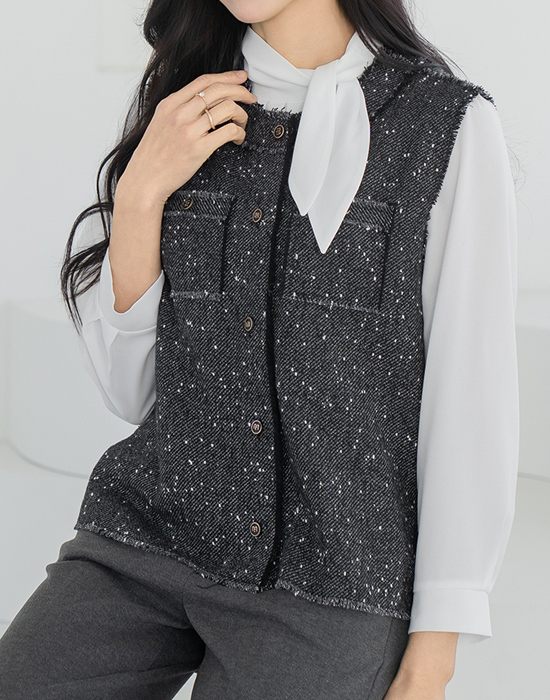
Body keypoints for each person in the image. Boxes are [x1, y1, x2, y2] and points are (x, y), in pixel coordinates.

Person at [0, 0, 519, 698]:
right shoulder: (186, 107)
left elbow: (471, 398)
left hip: (334, 583)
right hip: (148, 540)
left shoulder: (447, 126)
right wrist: (143, 194)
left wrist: (435, 653)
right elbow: (134, 393)